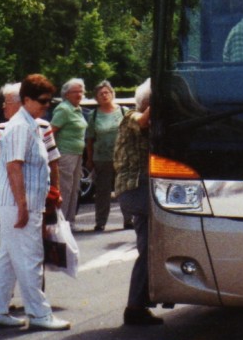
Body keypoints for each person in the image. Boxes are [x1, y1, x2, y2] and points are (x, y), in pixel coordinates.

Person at [0, 73, 70, 331]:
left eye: (50, 101)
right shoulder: (20, 126)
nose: (47, 105)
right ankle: (40, 314)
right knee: (31, 256)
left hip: (17, 201)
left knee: (8, 257)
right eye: (42, 100)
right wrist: (22, 205)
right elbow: (14, 167)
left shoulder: (29, 122)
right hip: (18, 202)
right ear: (27, 99)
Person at [0, 82, 61, 250]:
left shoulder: (43, 127)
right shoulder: (2, 128)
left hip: (36, 195)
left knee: (30, 246)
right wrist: (0, 171)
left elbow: (53, 160)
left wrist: (57, 191)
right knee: (16, 246)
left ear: (21, 103)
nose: (3, 107)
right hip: (13, 195)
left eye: (7, 102)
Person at [114, 78, 163, 326]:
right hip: (134, 190)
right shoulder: (129, 117)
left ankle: (136, 306)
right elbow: (142, 120)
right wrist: (164, 93)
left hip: (144, 189)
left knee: (148, 248)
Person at [85, 80, 124, 232]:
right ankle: (100, 222)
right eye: (100, 94)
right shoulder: (93, 115)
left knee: (124, 190)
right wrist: (89, 158)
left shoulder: (123, 111)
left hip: (122, 157)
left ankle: (129, 220)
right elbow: (90, 139)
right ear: (96, 98)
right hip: (101, 159)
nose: (104, 95)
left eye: (106, 92)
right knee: (102, 192)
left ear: (112, 94)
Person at [50, 78, 87, 227]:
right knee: (65, 188)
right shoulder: (64, 109)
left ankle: (70, 220)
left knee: (75, 188)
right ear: (66, 94)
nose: (79, 94)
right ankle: (61, 222)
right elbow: (51, 131)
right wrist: (52, 155)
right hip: (65, 153)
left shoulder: (77, 109)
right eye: (75, 92)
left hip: (77, 153)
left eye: (81, 91)